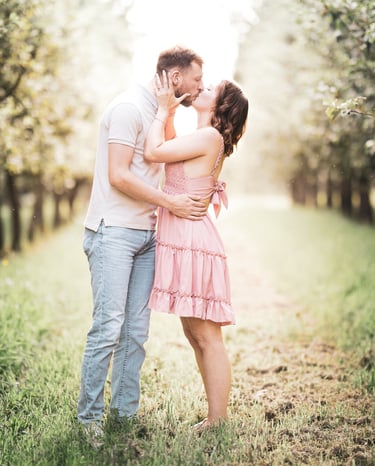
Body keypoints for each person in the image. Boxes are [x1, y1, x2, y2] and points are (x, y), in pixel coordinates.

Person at [78, 46, 207, 445]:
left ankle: (123, 415)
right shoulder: (127, 109)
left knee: (136, 332)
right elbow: (118, 175)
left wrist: (168, 112)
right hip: (112, 231)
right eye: (196, 79)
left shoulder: (159, 115)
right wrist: (171, 203)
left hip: (147, 235)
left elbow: (171, 162)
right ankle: (89, 421)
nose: (201, 86)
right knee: (108, 328)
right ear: (173, 78)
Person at [144, 71, 249, 429]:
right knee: (193, 334)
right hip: (186, 239)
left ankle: (218, 420)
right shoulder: (202, 135)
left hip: (193, 242)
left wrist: (160, 111)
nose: (202, 87)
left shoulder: (208, 136)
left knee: (206, 335)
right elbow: (171, 151)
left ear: (219, 107)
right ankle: (213, 416)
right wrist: (171, 112)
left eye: (210, 88)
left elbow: (154, 151)